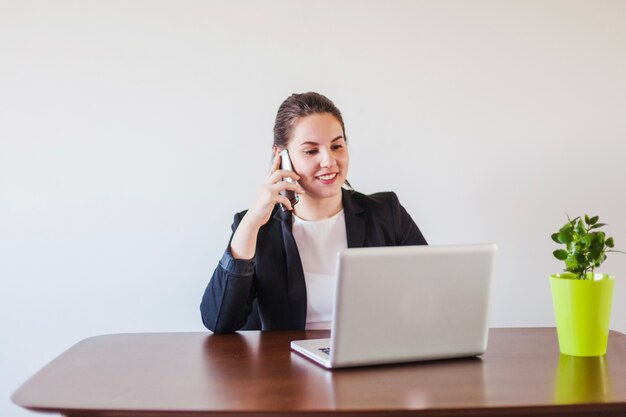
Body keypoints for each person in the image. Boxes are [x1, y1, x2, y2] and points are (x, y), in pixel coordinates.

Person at [201, 92, 427, 333]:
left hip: (372, 358)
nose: (329, 161)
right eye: (311, 151)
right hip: (288, 364)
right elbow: (219, 321)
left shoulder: (386, 213)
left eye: (337, 146)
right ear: (281, 156)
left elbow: (431, 293)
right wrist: (252, 222)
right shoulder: (259, 227)